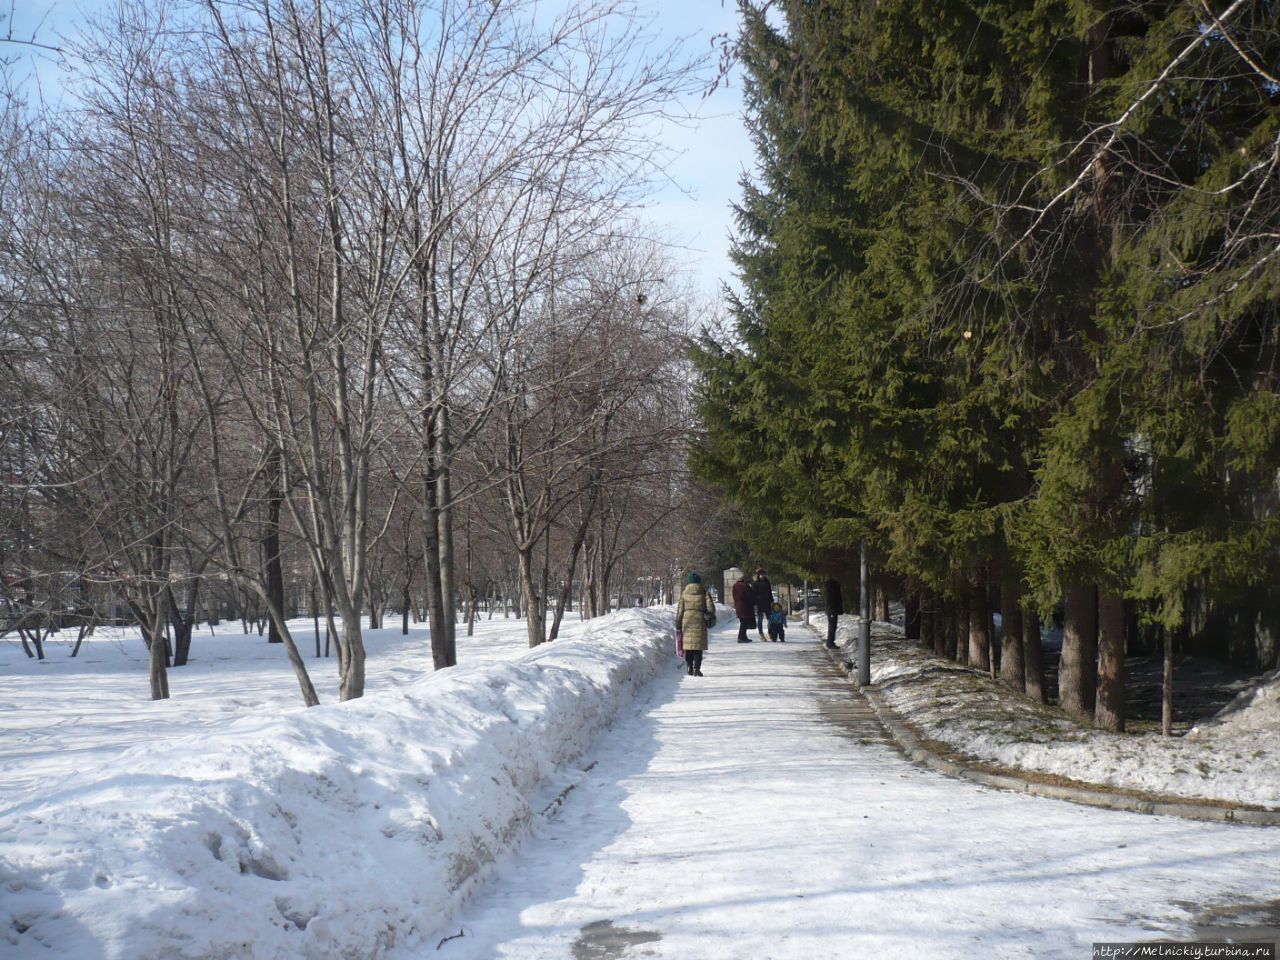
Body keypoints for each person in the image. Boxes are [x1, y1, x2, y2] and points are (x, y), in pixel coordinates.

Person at [675, 572, 716, 676]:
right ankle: (697, 669)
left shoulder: (684, 594)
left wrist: (678, 624)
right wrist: (706, 612)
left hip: (687, 620)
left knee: (688, 646)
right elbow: (711, 609)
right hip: (699, 620)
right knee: (698, 646)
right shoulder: (704, 592)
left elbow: (680, 611)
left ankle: (689, 666)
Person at [731, 571, 755, 643]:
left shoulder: (735, 586)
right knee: (744, 622)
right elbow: (749, 596)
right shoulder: (744, 586)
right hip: (745, 607)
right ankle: (741, 637)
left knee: (743, 622)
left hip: (739, 606)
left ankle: (744, 636)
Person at [752, 568, 773, 640]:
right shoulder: (755, 583)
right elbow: (753, 595)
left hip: (767, 603)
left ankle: (770, 632)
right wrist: (755, 604)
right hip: (759, 604)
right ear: (758, 575)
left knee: (770, 619)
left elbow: (770, 592)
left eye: (763, 574)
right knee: (760, 620)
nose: (763, 575)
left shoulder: (767, 582)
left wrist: (771, 601)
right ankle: (761, 634)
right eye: (761, 574)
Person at [824, 575, 843, 648]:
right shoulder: (832, 588)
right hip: (832, 610)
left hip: (832, 610)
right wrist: (832, 610)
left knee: (833, 626)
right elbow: (832, 600)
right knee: (832, 626)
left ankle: (830, 642)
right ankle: (830, 643)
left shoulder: (831, 588)